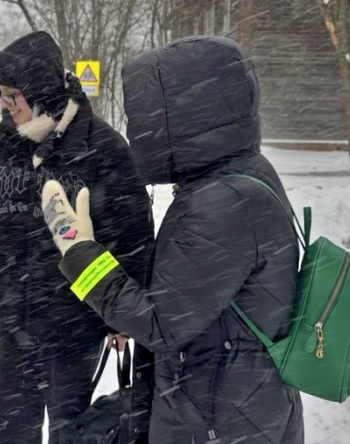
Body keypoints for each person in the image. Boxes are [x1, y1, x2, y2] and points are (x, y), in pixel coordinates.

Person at [40, 36, 304, 443]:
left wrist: (80, 254)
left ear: (182, 116)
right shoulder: (232, 176)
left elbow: (162, 323)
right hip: (234, 405)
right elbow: (190, 293)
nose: (135, 131)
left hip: (221, 421)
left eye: (143, 116)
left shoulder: (223, 202)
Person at [0, 31, 155, 444]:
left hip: (75, 324)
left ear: (40, 92)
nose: (5, 104)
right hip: (15, 319)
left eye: (13, 95)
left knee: (70, 432)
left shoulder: (101, 148)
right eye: (1, 94)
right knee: (12, 430)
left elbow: (133, 233)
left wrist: (122, 314)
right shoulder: (4, 142)